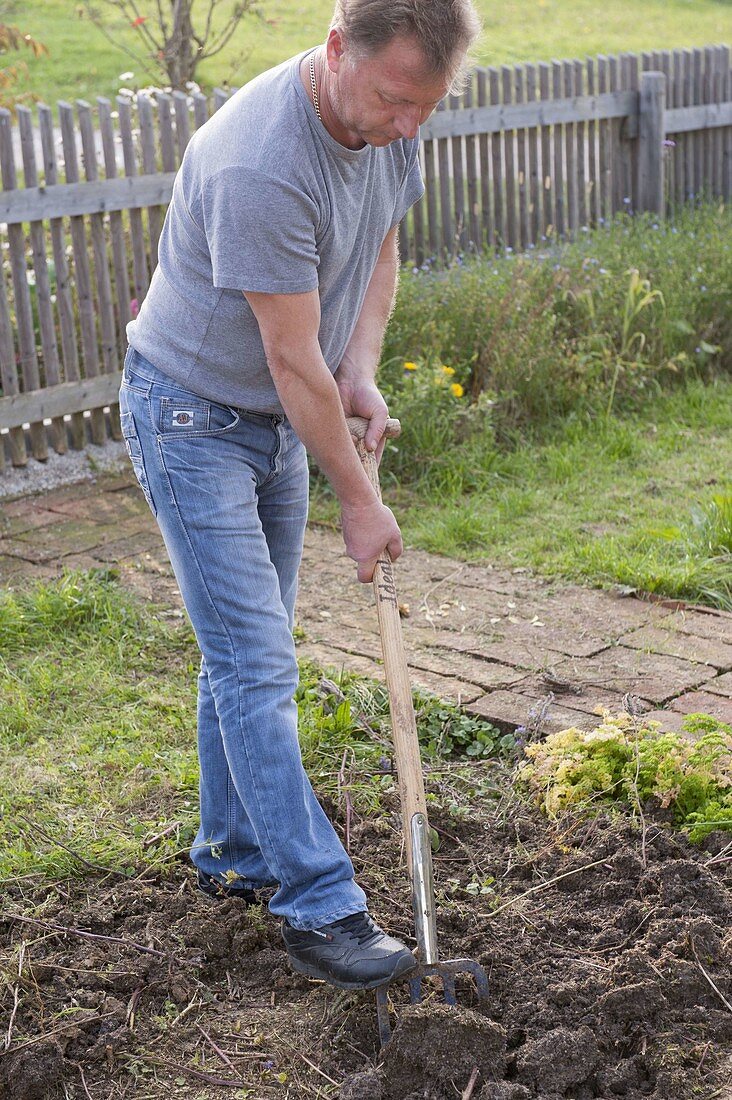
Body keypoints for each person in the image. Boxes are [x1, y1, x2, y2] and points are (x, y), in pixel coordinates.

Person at [119, 0, 481, 991]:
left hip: (280, 411)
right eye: (396, 100)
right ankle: (319, 903)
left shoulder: (390, 120)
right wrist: (358, 499)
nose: (410, 126)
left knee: (250, 642)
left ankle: (231, 849)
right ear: (335, 53)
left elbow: (377, 251)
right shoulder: (258, 161)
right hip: (193, 414)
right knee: (256, 662)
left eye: (428, 106)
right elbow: (287, 355)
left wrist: (359, 368)